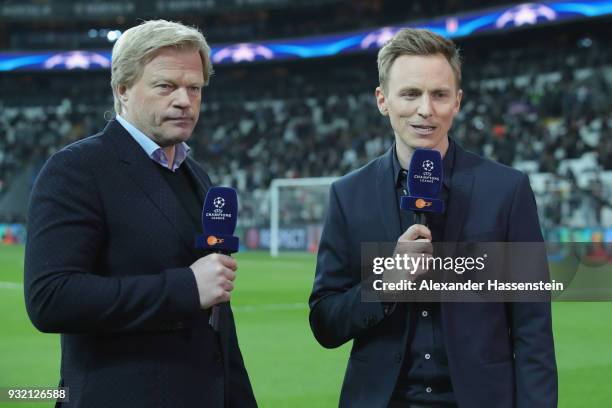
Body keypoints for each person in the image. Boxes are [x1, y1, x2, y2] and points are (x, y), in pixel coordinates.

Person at [309, 28, 557, 408]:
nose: (426, 109)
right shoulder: (348, 194)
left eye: (439, 94)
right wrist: (384, 283)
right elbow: (325, 323)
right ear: (383, 100)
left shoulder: (507, 190)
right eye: (410, 93)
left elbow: (533, 327)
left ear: (456, 101)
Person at [24, 20, 257, 408]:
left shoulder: (198, 175)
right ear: (123, 90)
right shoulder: (78, 169)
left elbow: (215, 319)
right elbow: (50, 298)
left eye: (194, 88)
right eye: (166, 86)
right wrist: (185, 287)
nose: (184, 100)